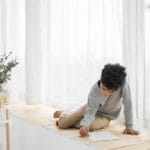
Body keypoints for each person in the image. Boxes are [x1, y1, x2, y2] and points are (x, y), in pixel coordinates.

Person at [53, 63, 139, 137]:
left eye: (110, 92)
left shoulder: (123, 85)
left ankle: (72, 116)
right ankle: (66, 112)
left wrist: (129, 126)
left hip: (106, 116)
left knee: (91, 126)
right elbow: (90, 112)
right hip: (90, 108)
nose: (105, 93)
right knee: (62, 124)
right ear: (101, 79)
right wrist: (85, 125)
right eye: (104, 88)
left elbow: (128, 104)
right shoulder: (94, 91)